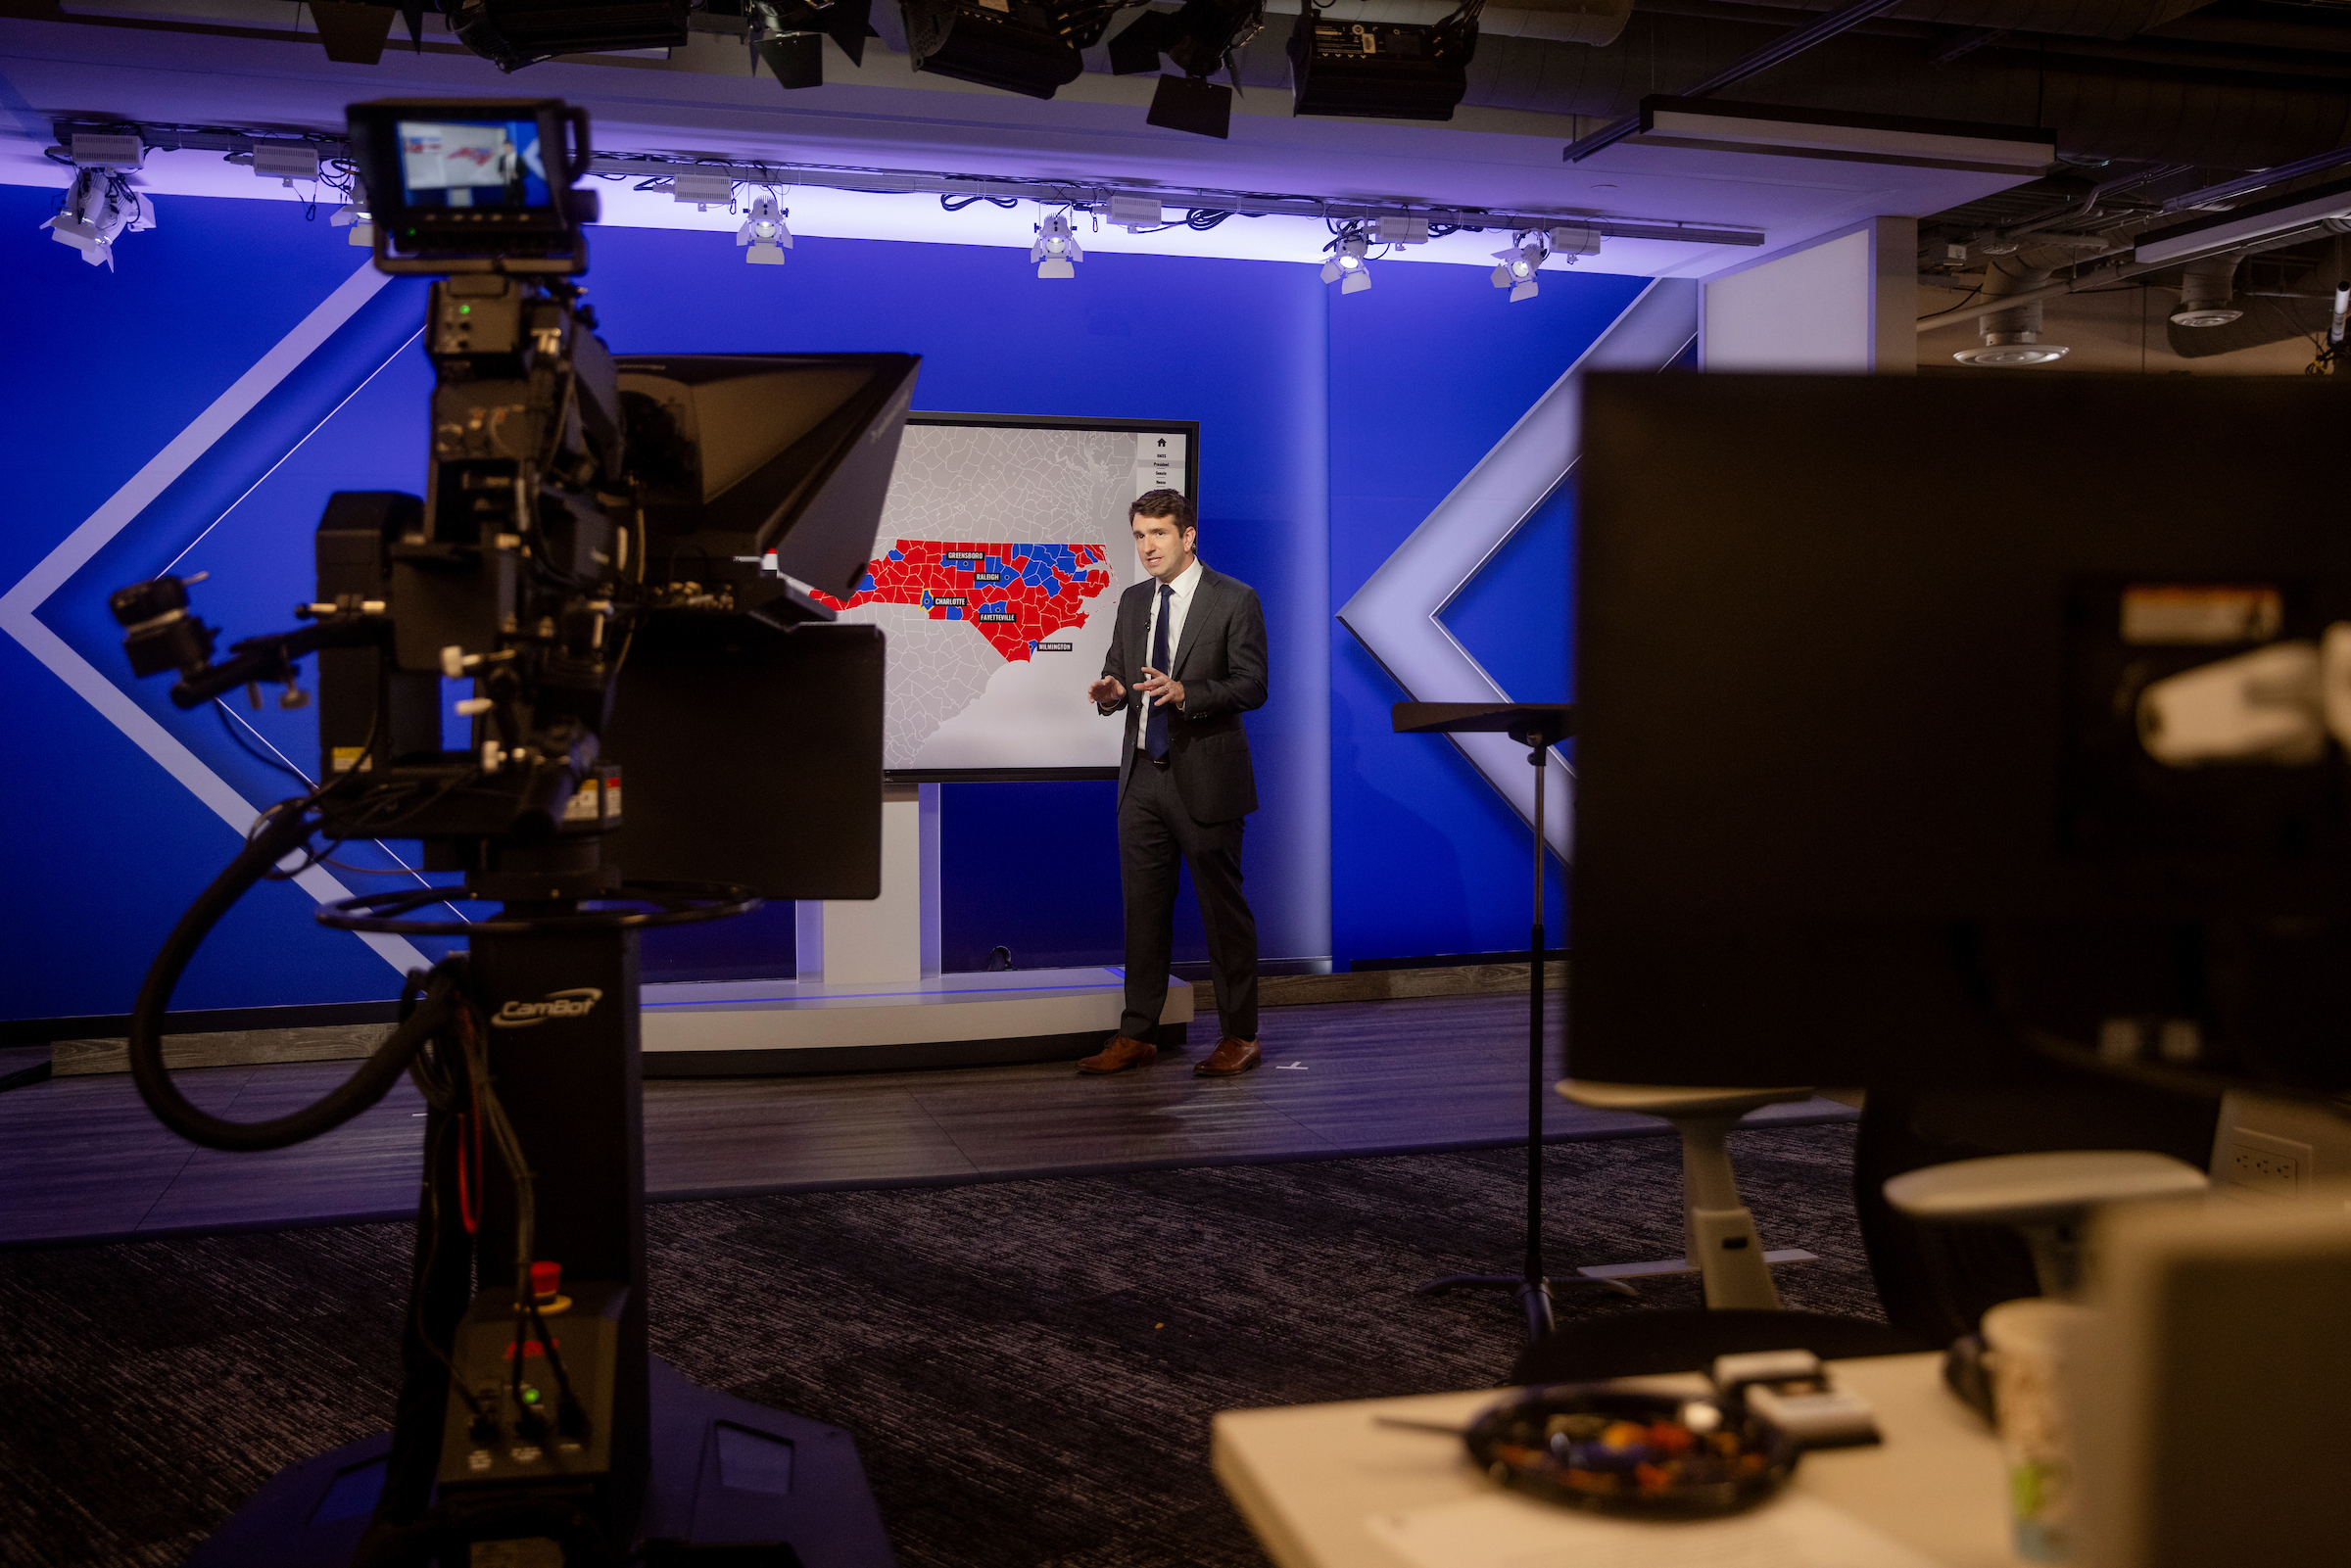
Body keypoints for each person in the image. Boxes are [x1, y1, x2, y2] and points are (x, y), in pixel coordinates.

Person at [1079, 490, 1268, 1078]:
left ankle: (1239, 1034)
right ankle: (1138, 1033)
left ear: (1188, 536)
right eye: (1138, 535)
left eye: (1158, 533)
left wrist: (1189, 693)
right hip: (1141, 782)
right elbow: (1119, 668)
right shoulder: (1133, 600)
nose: (1147, 546)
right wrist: (1110, 692)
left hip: (1206, 779)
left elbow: (1253, 685)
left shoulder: (1234, 598)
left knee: (1222, 912)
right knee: (1144, 913)